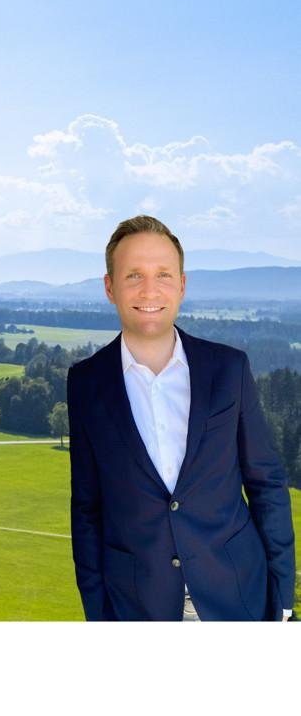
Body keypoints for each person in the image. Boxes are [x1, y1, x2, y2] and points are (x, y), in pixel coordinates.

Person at [68, 215, 294, 621]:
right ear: (109, 288)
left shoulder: (229, 369)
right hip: (138, 607)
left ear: (183, 286)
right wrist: (97, 616)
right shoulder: (85, 383)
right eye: (134, 274)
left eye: (163, 275)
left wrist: (282, 599)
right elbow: (87, 509)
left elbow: (267, 485)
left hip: (240, 597)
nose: (150, 290)